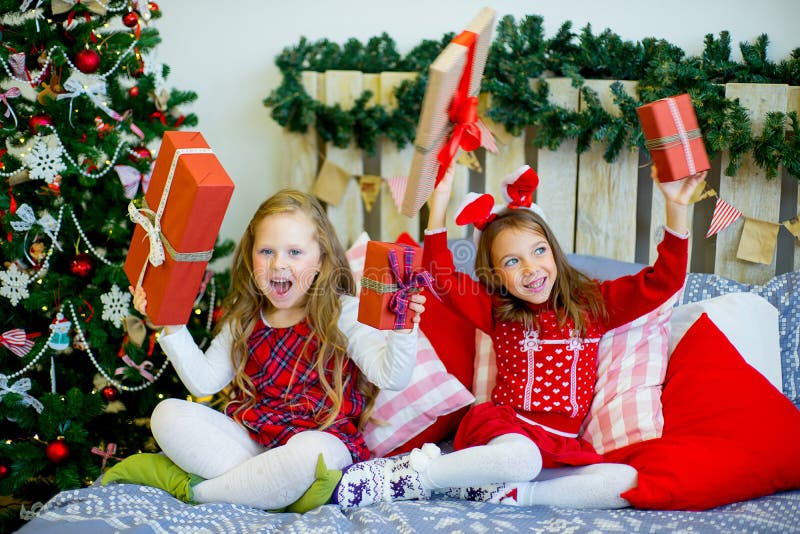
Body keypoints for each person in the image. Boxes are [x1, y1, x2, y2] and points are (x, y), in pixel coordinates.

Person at [333, 164, 705, 510]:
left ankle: (517, 495)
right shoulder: (497, 310)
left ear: (554, 253)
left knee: (623, 481)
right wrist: (440, 204)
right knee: (521, 457)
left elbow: (664, 281)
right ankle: (417, 478)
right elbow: (440, 274)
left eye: (538, 251)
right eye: (512, 262)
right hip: (506, 430)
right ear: (495, 274)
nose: (530, 268)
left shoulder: (593, 304)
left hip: (557, 446)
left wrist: (676, 208)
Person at [102, 189, 427, 511]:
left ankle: (204, 493)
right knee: (167, 414)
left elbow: (392, 376)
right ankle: (266, 488)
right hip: (255, 442)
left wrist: (404, 326)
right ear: (251, 255)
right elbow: (203, 383)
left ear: (321, 259)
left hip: (324, 441)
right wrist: (169, 323)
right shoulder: (245, 318)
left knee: (309, 453)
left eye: (295, 252)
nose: (278, 264)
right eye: (266, 251)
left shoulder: (342, 312)